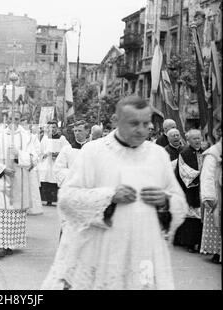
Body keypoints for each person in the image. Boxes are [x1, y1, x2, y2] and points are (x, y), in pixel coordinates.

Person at [42, 96, 187, 290]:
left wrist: (166, 202)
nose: (141, 130)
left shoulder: (158, 155)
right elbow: (67, 200)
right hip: (101, 250)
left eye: (146, 124)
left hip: (143, 251)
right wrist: (108, 197)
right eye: (134, 123)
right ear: (115, 121)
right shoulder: (93, 152)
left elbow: (180, 203)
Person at [0, 110, 36, 258]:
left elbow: (33, 159)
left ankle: (11, 244)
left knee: (15, 212)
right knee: (1, 211)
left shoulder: (28, 137)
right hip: (2, 179)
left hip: (19, 180)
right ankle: (0, 245)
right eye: (11, 119)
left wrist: (19, 154)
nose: (14, 121)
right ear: (5, 119)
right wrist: (2, 168)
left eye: (17, 118)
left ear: (20, 119)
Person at [174, 129, 204, 253]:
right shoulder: (184, 153)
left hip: (203, 188)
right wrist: (200, 174)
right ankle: (190, 243)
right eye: (194, 139)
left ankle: (200, 242)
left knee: (201, 216)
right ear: (188, 141)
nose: (197, 141)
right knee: (191, 216)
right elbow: (184, 171)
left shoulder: (205, 152)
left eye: (199, 138)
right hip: (190, 188)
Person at [199, 138, 221, 263]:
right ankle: (217, 253)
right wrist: (208, 196)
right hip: (216, 194)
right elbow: (207, 176)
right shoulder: (212, 153)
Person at [38, 121, 69, 206]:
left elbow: (67, 149)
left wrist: (59, 154)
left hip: (56, 162)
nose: (53, 129)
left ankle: (55, 200)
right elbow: (40, 150)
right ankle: (47, 200)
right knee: (46, 179)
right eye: (51, 127)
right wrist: (45, 154)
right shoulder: (45, 138)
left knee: (55, 180)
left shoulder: (61, 138)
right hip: (47, 162)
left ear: (57, 128)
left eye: (54, 127)